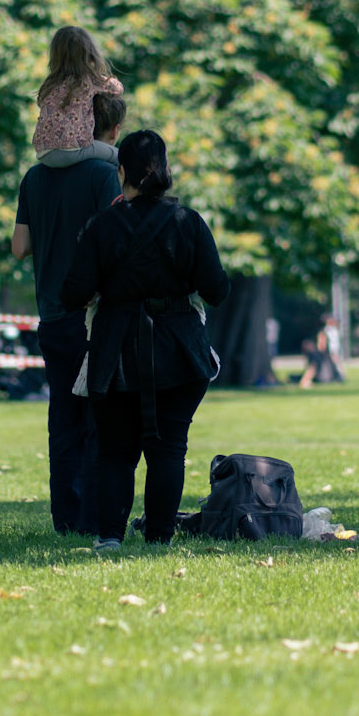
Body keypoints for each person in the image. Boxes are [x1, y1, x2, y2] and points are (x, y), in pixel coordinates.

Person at [60, 129, 228, 553]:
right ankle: (159, 538)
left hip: (115, 352)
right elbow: (217, 290)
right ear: (165, 169)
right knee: (169, 448)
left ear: (122, 173)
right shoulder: (189, 222)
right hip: (180, 350)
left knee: (115, 450)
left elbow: (72, 293)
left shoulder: (101, 226)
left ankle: (110, 537)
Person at [13, 90, 125, 534]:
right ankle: (95, 518)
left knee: (62, 418)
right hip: (93, 316)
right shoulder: (105, 175)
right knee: (100, 419)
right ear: (112, 130)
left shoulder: (33, 178)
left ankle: (65, 518)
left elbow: (19, 247)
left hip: (52, 314)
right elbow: (114, 243)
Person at [32, 25, 124, 165]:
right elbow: (117, 88)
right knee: (118, 156)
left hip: (44, 154)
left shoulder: (51, 83)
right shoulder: (89, 80)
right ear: (91, 55)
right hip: (72, 151)